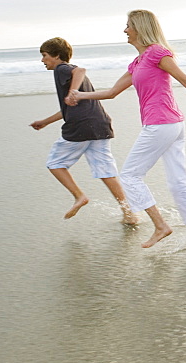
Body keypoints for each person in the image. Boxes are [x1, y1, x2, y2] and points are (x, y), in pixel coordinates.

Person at [66, 10, 186, 249]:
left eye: (128, 26)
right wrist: (80, 95)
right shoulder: (138, 62)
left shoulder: (157, 52)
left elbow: (185, 79)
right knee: (178, 182)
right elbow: (112, 93)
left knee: (129, 176)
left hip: (162, 124)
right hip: (170, 125)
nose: (125, 30)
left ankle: (160, 226)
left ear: (140, 28)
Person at [30, 37, 138, 224]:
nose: (42, 60)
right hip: (99, 124)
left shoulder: (61, 69)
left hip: (80, 127)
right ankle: (129, 213)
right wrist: (45, 121)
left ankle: (80, 196)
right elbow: (69, 107)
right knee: (105, 170)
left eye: (45, 56)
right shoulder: (68, 76)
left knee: (55, 163)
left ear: (56, 56)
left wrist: (72, 92)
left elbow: (80, 70)